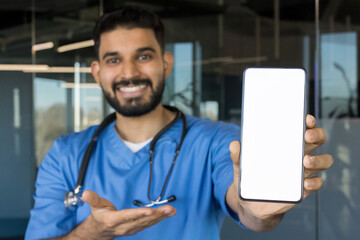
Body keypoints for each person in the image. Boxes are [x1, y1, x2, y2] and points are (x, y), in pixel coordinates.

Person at [25, 6, 333, 240]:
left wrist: (256, 209)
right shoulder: (65, 155)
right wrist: (94, 230)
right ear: (96, 72)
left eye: (143, 56)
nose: (129, 72)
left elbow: (249, 210)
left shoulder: (217, 141)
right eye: (114, 59)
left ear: (166, 63)